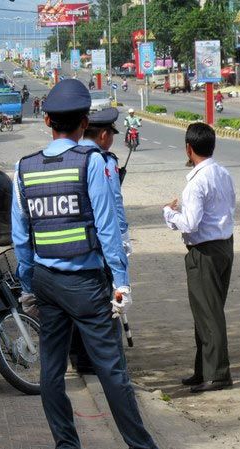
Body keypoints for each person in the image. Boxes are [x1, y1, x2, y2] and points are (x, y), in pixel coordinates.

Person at [11, 79, 184, 449]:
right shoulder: (92, 162)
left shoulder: (24, 167)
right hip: (86, 284)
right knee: (112, 370)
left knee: (51, 371)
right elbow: (107, 228)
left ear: (47, 121)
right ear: (85, 121)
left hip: (45, 281)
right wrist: (121, 282)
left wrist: (26, 285)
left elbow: (22, 236)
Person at [163, 123, 236, 393]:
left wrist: (169, 214)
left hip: (204, 252)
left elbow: (190, 223)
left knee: (209, 314)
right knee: (205, 311)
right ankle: (202, 369)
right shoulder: (223, 173)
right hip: (224, 247)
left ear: (189, 149)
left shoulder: (196, 182)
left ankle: (218, 374)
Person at [69, 107, 131, 374]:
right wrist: (122, 247)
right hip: (100, 245)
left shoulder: (69, 156)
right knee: (109, 306)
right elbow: (112, 209)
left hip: (72, 246)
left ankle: (81, 359)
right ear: (104, 135)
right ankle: (109, 366)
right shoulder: (102, 161)